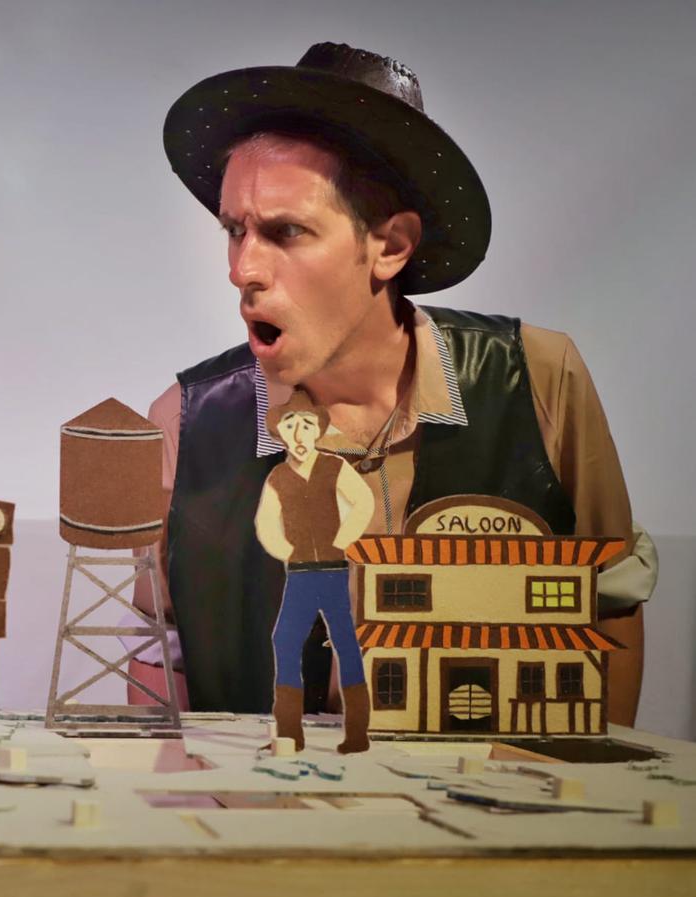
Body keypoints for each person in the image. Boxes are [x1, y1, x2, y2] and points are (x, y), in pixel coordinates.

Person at [132, 43, 657, 724]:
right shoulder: (188, 420)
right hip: (264, 790)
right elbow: (161, 653)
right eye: (235, 230)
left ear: (390, 246)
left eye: (286, 232)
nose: (243, 269)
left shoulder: (536, 378)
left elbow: (609, 607)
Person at [254, 392, 373, 752]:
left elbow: (363, 502)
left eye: (306, 425)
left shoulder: (335, 467)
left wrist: (342, 540)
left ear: (318, 431)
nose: (299, 433)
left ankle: (357, 734)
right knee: (285, 640)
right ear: (280, 433)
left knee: (345, 643)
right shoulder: (278, 476)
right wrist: (287, 551)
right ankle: (290, 733)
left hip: (333, 571)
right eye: (290, 425)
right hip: (300, 574)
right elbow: (266, 521)